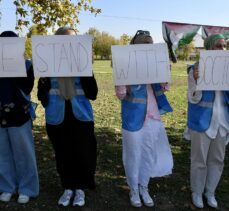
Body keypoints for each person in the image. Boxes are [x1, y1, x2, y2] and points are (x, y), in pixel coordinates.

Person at [37, 26, 98, 207]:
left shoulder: (83, 63)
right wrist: (44, 83)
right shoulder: (47, 64)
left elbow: (93, 93)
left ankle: (80, 188)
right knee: (63, 153)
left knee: (83, 152)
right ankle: (68, 187)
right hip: (57, 116)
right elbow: (41, 94)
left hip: (81, 116)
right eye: (64, 39)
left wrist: (86, 69)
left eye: (72, 39)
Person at [115, 30, 173, 208]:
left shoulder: (155, 63)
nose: (149, 47)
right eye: (145, 44)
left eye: (151, 44)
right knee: (133, 155)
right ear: (136, 46)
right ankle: (133, 189)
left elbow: (163, 88)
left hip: (153, 117)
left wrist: (165, 72)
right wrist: (121, 78)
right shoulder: (125, 63)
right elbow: (121, 95)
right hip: (133, 117)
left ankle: (144, 187)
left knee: (148, 154)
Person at [184, 33, 229, 209]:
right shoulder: (195, 68)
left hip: (223, 122)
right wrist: (196, 80)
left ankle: (210, 192)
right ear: (209, 47)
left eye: (224, 45)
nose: (223, 49)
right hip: (202, 121)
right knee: (199, 159)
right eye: (219, 46)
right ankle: (197, 191)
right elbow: (193, 98)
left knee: (217, 159)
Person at [0, 31, 39, 204]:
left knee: (24, 153)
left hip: (20, 115)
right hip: (1, 115)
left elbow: (27, 87)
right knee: (3, 154)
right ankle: (7, 186)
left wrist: (19, 64)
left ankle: (27, 188)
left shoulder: (27, 65)